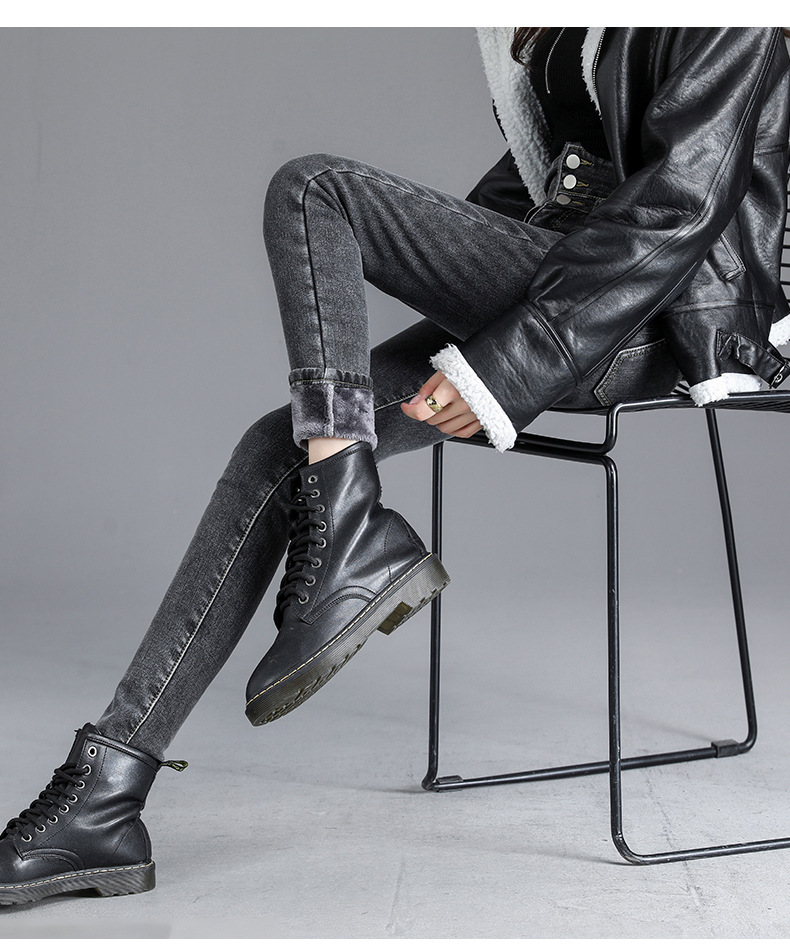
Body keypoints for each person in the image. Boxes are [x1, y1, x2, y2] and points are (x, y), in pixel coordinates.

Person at [1, 27, 788, 906]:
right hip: (566, 282)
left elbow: (678, 211)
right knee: (282, 444)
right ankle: (106, 795)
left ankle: (351, 533)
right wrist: (442, 278)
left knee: (316, 190)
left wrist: (505, 365)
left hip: (655, 317)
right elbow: (539, 185)